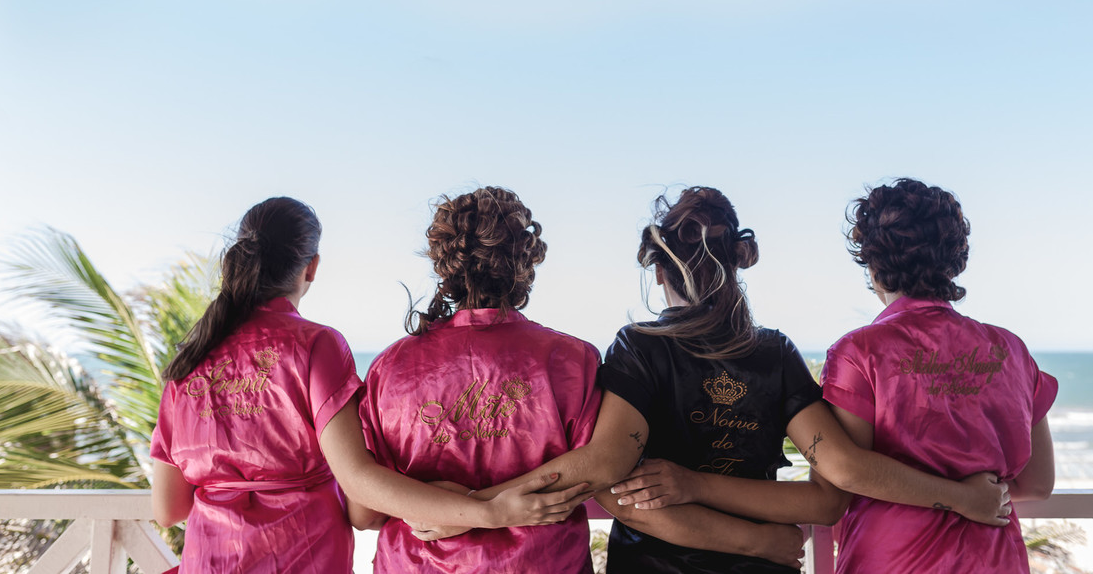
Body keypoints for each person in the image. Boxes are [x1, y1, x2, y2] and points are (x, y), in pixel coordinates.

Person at [416, 187, 1012, 573]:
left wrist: (471, 507)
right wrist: (755, 541)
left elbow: (606, 481)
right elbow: (828, 498)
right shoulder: (774, 354)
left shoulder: (639, 348)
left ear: (658, 265)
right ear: (736, 264)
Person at [151, 196, 586, 574]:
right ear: (312, 266)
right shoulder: (315, 345)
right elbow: (359, 482)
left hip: (210, 559)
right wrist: (484, 509)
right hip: (303, 556)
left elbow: (168, 510)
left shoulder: (189, 359)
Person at [353, 187, 604, 573]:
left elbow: (366, 512)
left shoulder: (388, 369)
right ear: (525, 259)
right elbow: (591, 477)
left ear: (444, 262)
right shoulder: (573, 359)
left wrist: (456, 506)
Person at [819, 178, 1058, 572]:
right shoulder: (1010, 350)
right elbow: (1037, 485)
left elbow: (848, 476)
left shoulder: (859, 352)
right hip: (992, 560)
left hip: (892, 559)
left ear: (873, 264)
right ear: (953, 260)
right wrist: (971, 493)